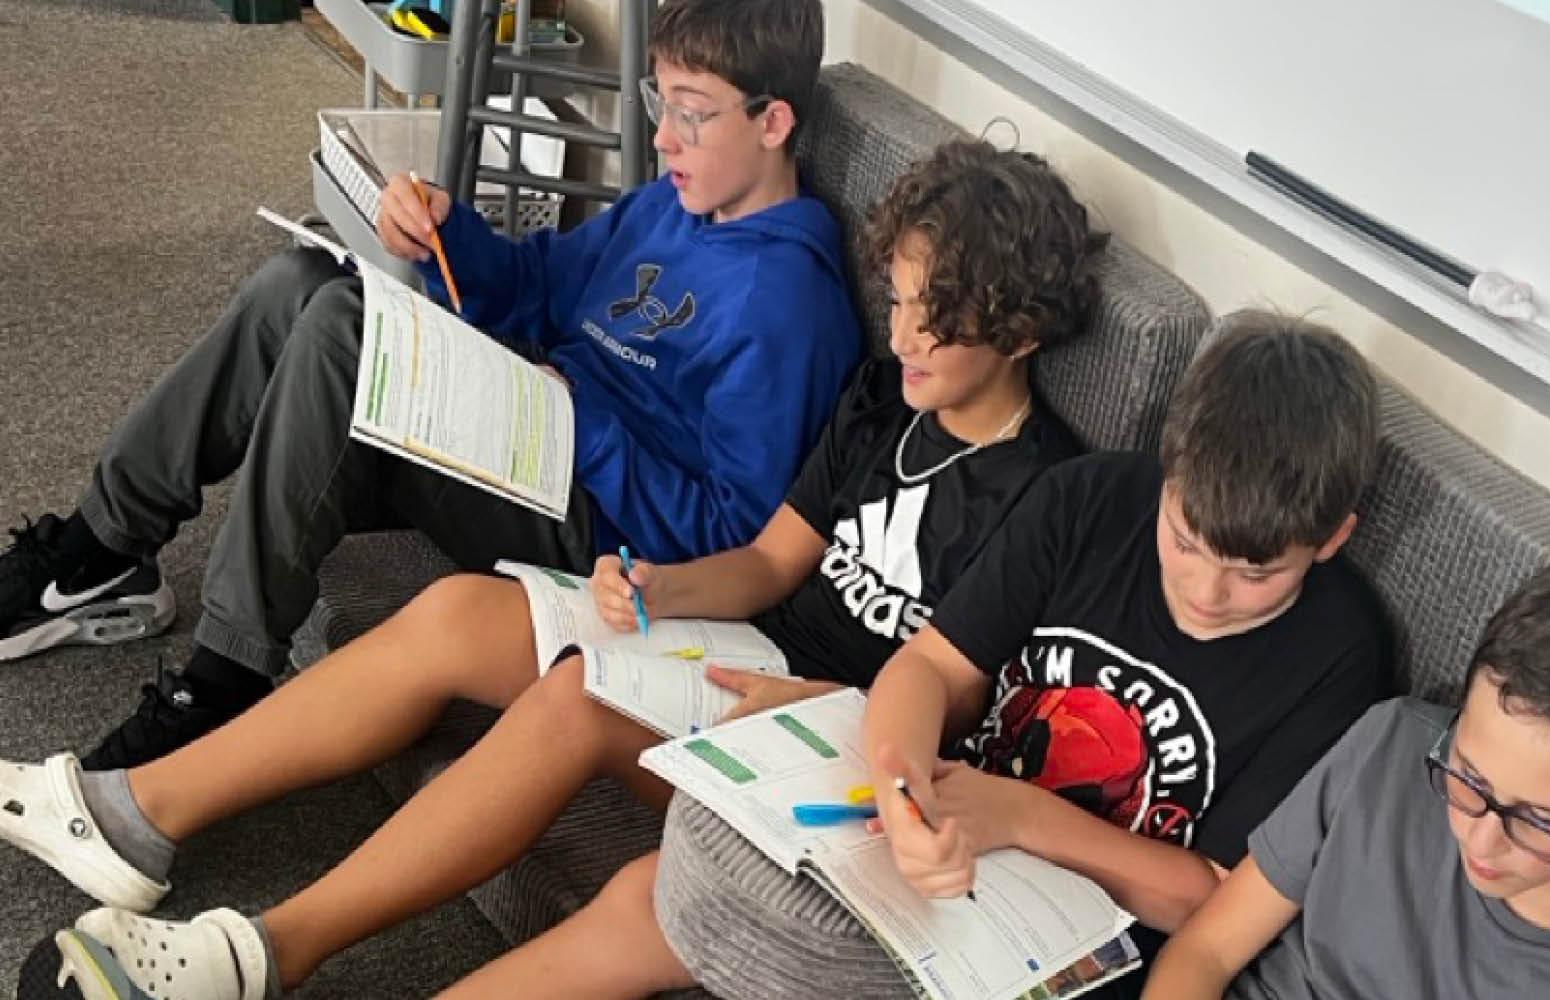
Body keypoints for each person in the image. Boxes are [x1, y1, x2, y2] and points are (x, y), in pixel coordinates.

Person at [23, 139, 1103, 1000]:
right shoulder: (882, 403)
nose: (905, 332)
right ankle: (129, 811)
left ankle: (263, 950)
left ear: (1017, 330)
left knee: (579, 693)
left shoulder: (1043, 496)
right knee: (456, 613)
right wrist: (656, 586)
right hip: (746, 660)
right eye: (902, 299)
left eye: (937, 317)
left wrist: (815, 702)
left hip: (844, 739)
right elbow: (773, 558)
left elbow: (949, 707)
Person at [310, 310, 1394, 1000]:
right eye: (1187, 543)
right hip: (940, 826)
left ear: (1333, 536)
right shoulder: (1095, 499)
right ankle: (282, 945)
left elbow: (1208, 901)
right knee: (648, 896)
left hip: (1061, 938)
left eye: (1256, 575)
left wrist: (1012, 816)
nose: (1206, 588)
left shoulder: (1342, 656)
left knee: (690, 914)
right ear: (1167, 475)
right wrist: (904, 779)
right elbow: (927, 672)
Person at [0, 0, 861, 771]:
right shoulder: (675, 203)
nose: (664, 137)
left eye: (692, 115)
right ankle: (100, 546)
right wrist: (450, 230)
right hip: (540, 428)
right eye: (658, 105)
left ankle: (224, 675)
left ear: (773, 120)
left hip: (600, 530)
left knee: (343, 332)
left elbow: (730, 538)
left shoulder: (788, 304)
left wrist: (577, 413)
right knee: (296, 282)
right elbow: (533, 287)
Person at [1141, 556, 1550, 999]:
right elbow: (1206, 951)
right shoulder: (1393, 744)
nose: (1478, 839)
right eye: (1469, 777)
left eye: (1538, 821)